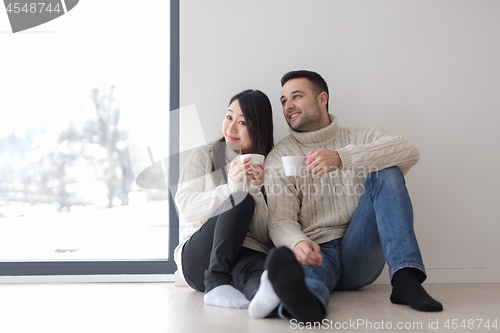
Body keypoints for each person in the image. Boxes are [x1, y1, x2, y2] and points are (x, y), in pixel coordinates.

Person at [249, 70, 443, 322]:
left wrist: (343, 158)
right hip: (318, 251)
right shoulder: (279, 157)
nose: (288, 106)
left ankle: (406, 278)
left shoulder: (364, 137)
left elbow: (408, 151)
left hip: (361, 249)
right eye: (284, 101)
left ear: (322, 99)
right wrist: (298, 243)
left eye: (296, 96)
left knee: (387, 171)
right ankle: (308, 304)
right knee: (302, 278)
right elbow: (280, 221)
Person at [173, 89, 274, 309]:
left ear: (259, 129)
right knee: (241, 199)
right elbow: (186, 209)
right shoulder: (204, 156)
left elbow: (262, 235)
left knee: (258, 275)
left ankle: (264, 302)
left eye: (243, 122)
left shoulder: (270, 166)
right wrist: (230, 189)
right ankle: (216, 283)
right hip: (199, 258)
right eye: (229, 117)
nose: (231, 128)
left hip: (244, 253)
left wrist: (257, 189)